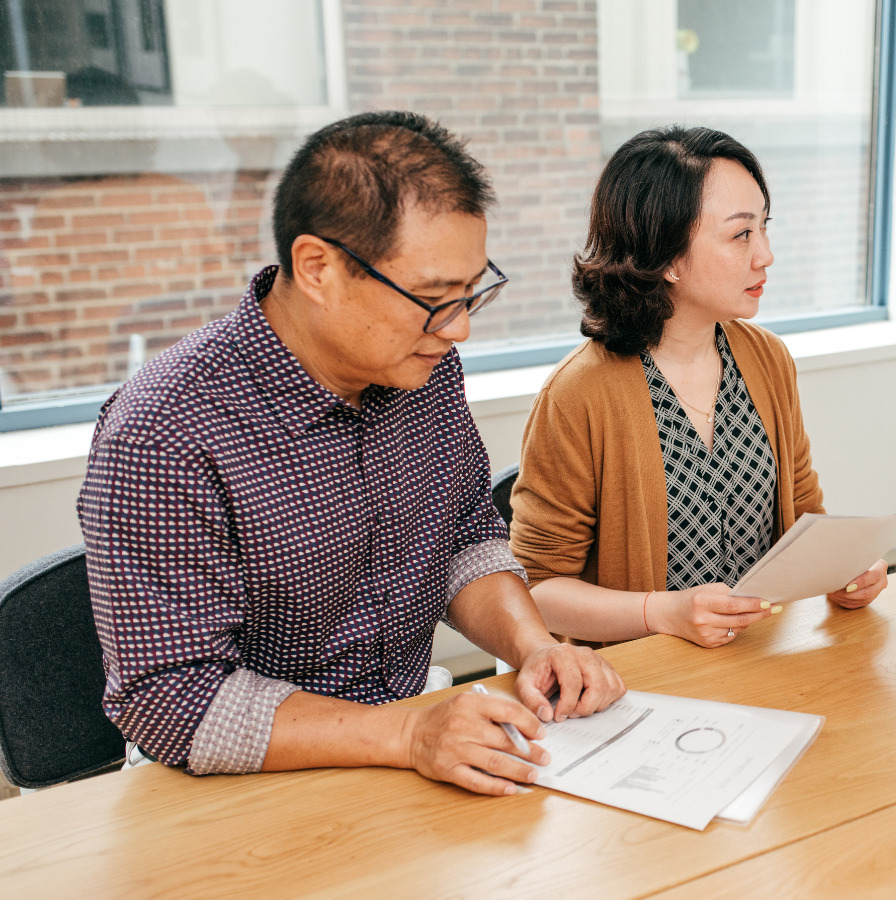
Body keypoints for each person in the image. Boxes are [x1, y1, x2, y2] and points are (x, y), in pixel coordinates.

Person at [77, 111, 626, 795]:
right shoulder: (164, 431)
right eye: (431, 299)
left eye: (468, 295)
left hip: (407, 749)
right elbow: (170, 701)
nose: (455, 329)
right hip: (236, 788)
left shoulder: (420, 369)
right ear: (317, 267)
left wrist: (534, 646)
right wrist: (405, 735)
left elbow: (462, 538)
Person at [510, 126, 887, 648]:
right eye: (741, 235)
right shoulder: (579, 393)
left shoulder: (767, 359)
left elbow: (804, 520)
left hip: (764, 659)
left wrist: (845, 570)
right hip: (643, 686)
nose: (766, 256)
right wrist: (660, 612)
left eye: (764, 229)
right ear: (664, 257)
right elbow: (536, 591)